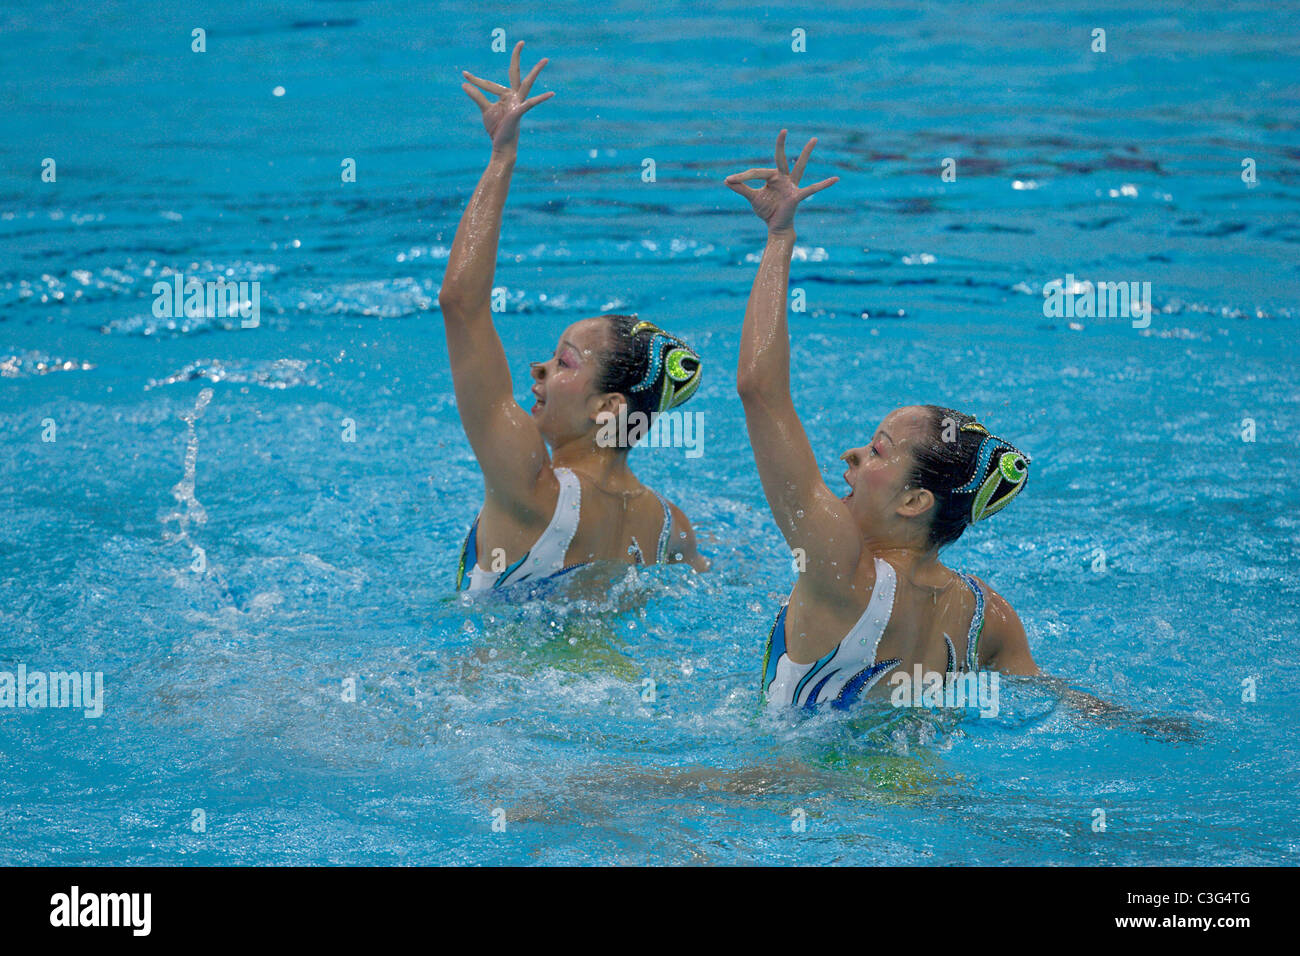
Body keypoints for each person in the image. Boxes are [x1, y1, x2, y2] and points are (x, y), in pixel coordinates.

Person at [725, 131, 1036, 710]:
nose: (852, 456)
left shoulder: (840, 570)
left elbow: (757, 391)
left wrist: (779, 238)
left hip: (801, 794)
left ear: (915, 501)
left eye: (878, 450)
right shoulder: (985, 615)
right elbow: (1057, 699)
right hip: (921, 794)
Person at [439, 42, 708, 594]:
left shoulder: (527, 484)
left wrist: (501, 157)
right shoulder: (669, 529)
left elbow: (460, 305)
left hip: (492, 680)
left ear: (608, 407)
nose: (536, 370)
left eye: (562, 363)